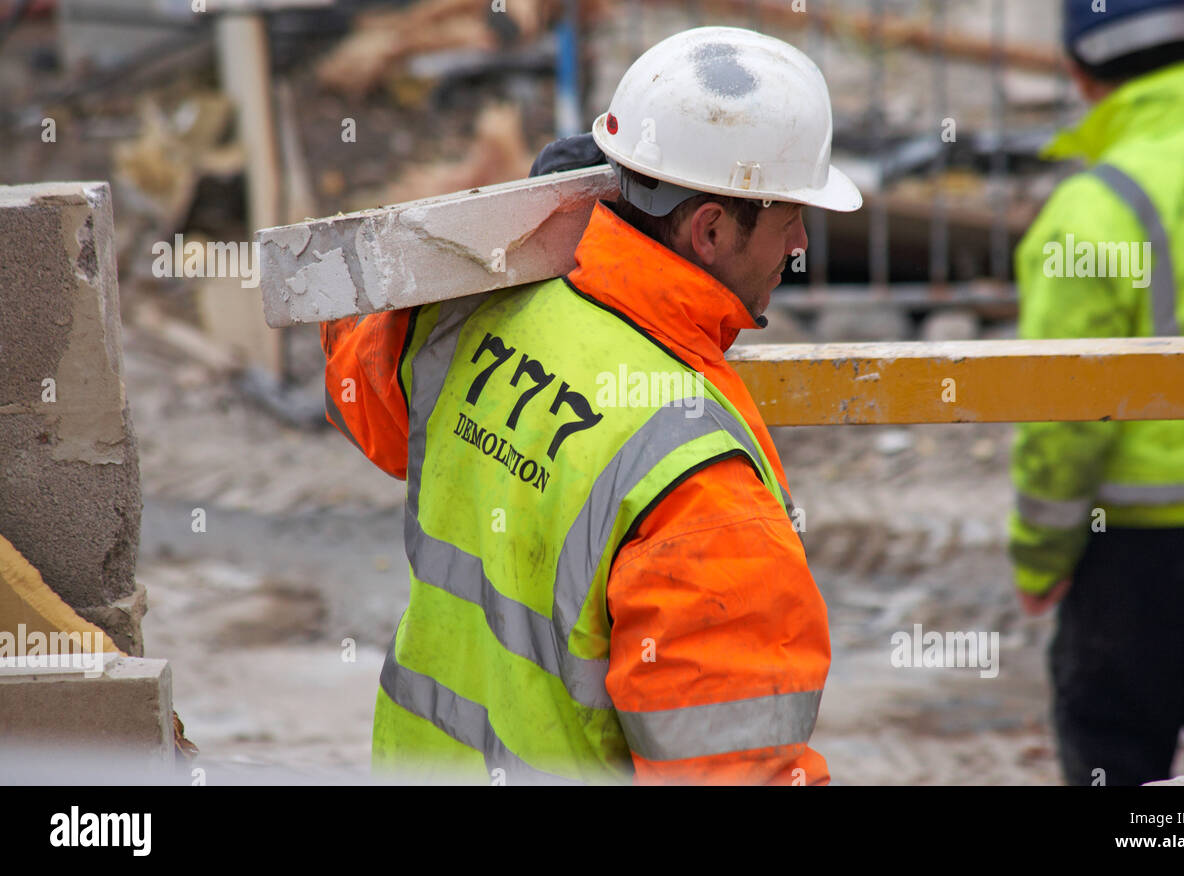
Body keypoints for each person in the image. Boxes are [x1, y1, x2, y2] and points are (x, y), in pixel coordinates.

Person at [319, 26, 862, 784]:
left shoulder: (478, 313)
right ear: (708, 229)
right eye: (787, 221)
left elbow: (360, 395)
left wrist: (504, 237)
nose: (799, 243)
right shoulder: (707, 505)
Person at [1009, 0, 1184, 785]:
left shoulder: (1092, 210)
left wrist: (1041, 557)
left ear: (1077, 72)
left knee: (1113, 738)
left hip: (1137, 535)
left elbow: (1063, 416)